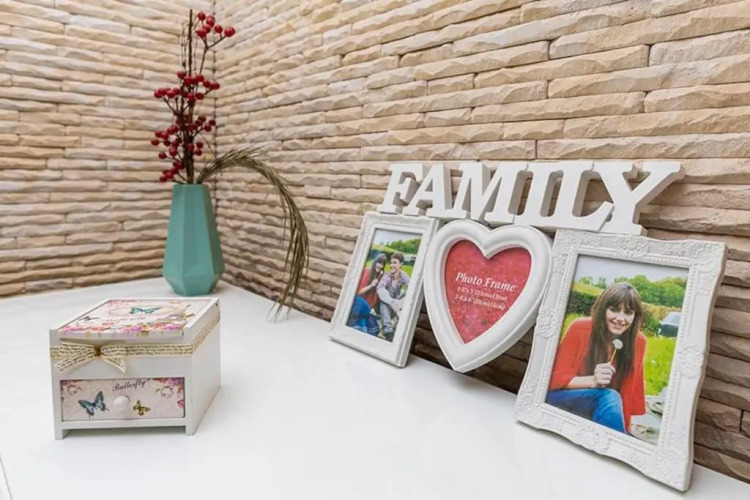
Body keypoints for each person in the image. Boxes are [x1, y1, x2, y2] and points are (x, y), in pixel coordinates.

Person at [546, 282, 646, 434]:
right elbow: (553, 379)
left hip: (603, 404)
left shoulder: (638, 341)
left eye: (628, 312)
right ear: (602, 309)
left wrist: (624, 432)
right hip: (561, 397)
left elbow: (627, 393)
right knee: (609, 396)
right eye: (614, 310)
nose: (621, 318)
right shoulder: (579, 328)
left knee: (611, 398)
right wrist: (593, 381)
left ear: (635, 316)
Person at [347, 253, 386, 335]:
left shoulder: (380, 277)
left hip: (368, 306)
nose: (380, 266)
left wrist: (380, 278)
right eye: (378, 263)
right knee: (365, 318)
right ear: (375, 262)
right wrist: (371, 285)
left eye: (382, 264)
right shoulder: (367, 272)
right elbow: (359, 292)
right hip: (359, 302)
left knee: (368, 324)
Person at [377, 252, 410, 342]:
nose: (392, 265)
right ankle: (388, 330)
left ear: (401, 264)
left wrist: (399, 303)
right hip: (386, 305)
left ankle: (397, 328)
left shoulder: (403, 275)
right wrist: (391, 302)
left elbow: (412, 289)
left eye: (395, 263)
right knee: (383, 295)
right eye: (391, 263)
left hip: (397, 304)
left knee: (408, 293)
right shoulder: (387, 275)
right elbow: (380, 289)